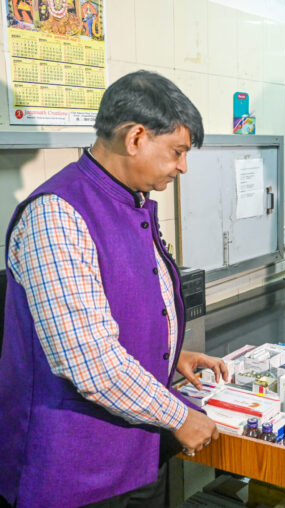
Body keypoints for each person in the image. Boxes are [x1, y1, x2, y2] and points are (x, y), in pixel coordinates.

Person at [0, 70, 228, 508]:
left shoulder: (130, 201)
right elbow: (89, 361)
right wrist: (180, 416)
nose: (183, 167)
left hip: (135, 453)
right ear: (136, 137)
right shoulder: (57, 214)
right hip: (74, 472)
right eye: (177, 152)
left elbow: (123, 304)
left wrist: (167, 353)